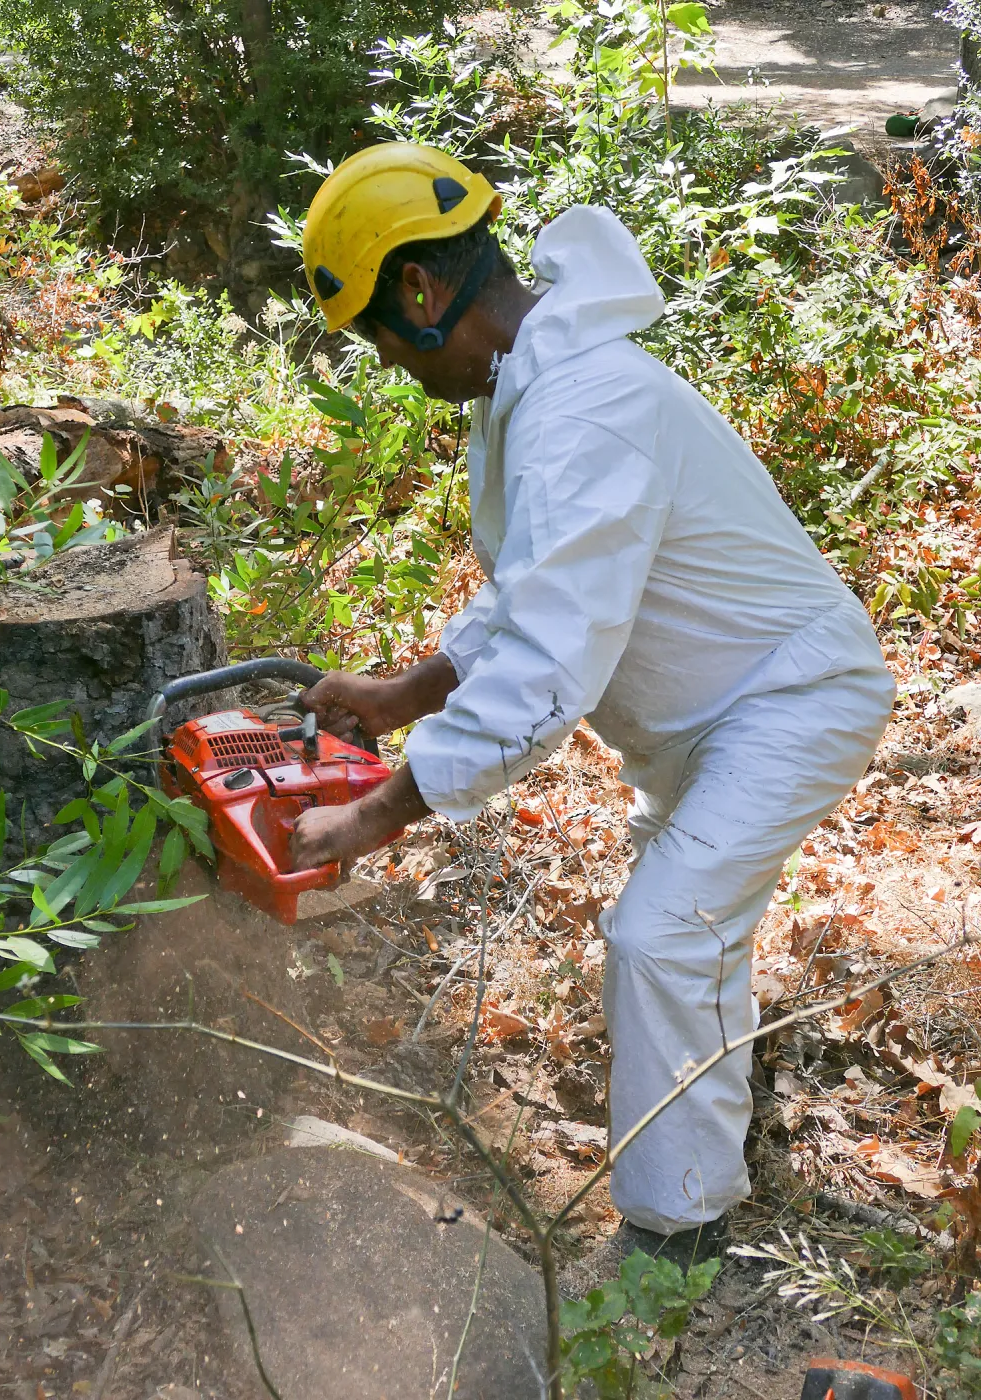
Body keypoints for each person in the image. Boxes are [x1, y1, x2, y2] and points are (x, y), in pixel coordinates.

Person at [288, 141, 895, 1263]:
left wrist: (374, 817)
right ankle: (714, 1130)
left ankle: (677, 1242)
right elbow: (537, 593)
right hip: (716, 718)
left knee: (665, 934)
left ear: (418, 293)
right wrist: (397, 695)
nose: (391, 364)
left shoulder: (587, 409)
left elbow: (549, 664)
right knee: (689, 933)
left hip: (791, 702)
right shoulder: (545, 389)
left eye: (376, 338)